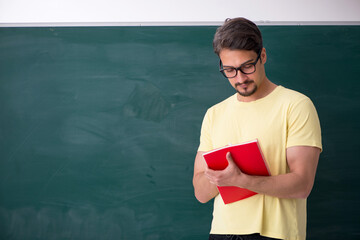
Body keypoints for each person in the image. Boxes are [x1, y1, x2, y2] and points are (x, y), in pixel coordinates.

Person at [192, 17, 322, 240]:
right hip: (222, 232)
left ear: (262, 56)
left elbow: (302, 184)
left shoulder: (296, 105)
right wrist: (220, 177)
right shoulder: (215, 114)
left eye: (247, 66)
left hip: (275, 234)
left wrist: (241, 180)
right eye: (229, 70)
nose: (240, 78)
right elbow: (201, 193)